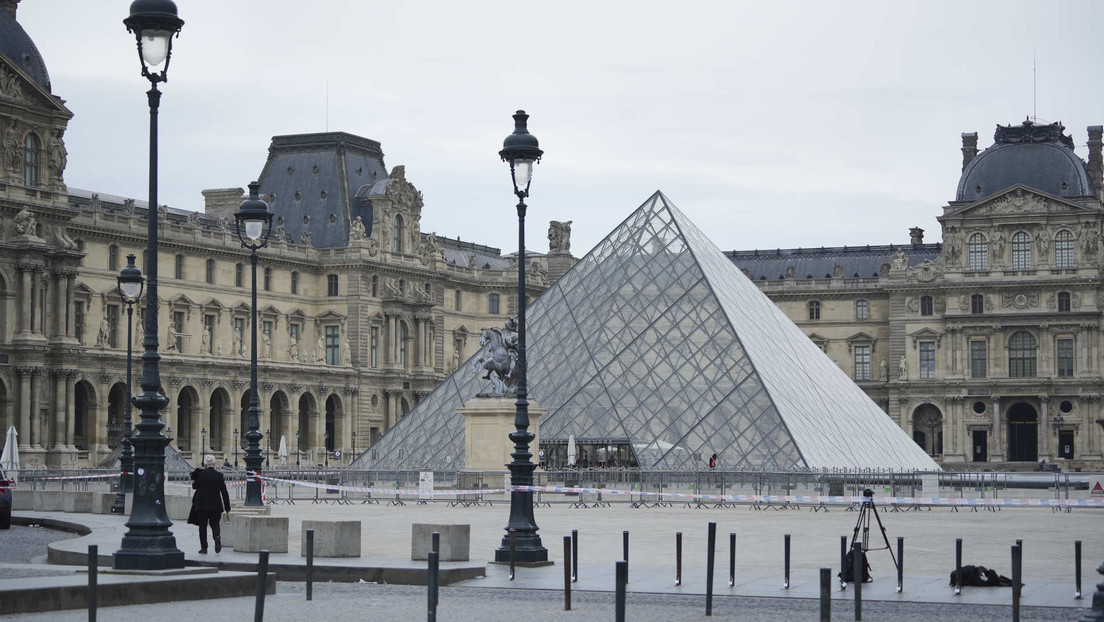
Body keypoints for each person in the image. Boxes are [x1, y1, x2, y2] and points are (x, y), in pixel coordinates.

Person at [191, 454, 231, 554]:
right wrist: (227, 507)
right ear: (214, 464)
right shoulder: (219, 475)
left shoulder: (201, 474)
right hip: (216, 506)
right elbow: (224, 492)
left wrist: (197, 474)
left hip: (202, 505)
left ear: (205, 464)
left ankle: (204, 548)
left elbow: (194, 486)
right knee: (215, 525)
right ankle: (217, 539)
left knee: (202, 527)